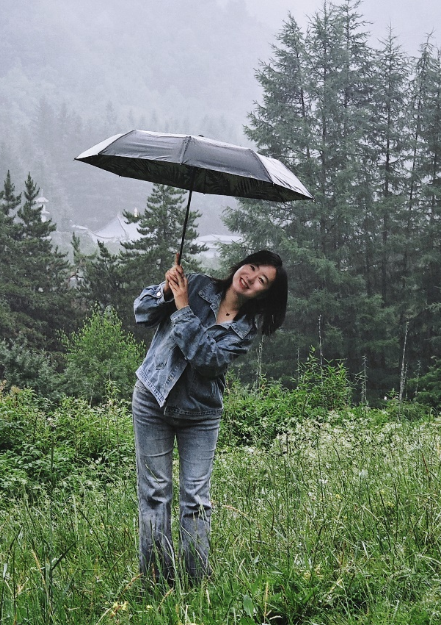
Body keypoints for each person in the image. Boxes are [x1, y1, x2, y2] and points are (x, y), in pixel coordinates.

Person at [131, 249, 288, 584]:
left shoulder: (244, 329)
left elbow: (208, 362)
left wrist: (182, 306)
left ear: (264, 294)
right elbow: (142, 313)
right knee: (155, 494)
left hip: (200, 415)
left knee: (196, 501)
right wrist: (166, 290)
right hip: (152, 399)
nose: (250, 277)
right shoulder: (197, 284)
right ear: (241, 265)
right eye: (251, 267)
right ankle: (156, 582)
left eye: (262, 280)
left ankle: (195, 584)